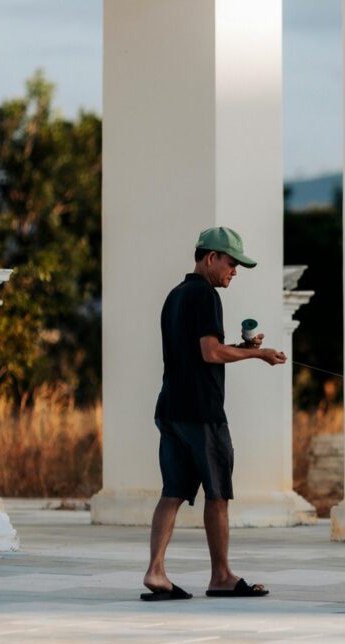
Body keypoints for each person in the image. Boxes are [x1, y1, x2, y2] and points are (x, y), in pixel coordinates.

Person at [140, 226, 288, 602]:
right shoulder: (206, 295)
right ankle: (221, 576)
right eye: (232, 263)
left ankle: (156, 571)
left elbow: (201, 351)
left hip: (170, 406)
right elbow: (210, 352)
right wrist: (258, 353)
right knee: (218, 493)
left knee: (172, 492)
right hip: (202, 412)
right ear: (211, 258)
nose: (234, 271)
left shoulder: (175, 296)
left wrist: (237, 346)